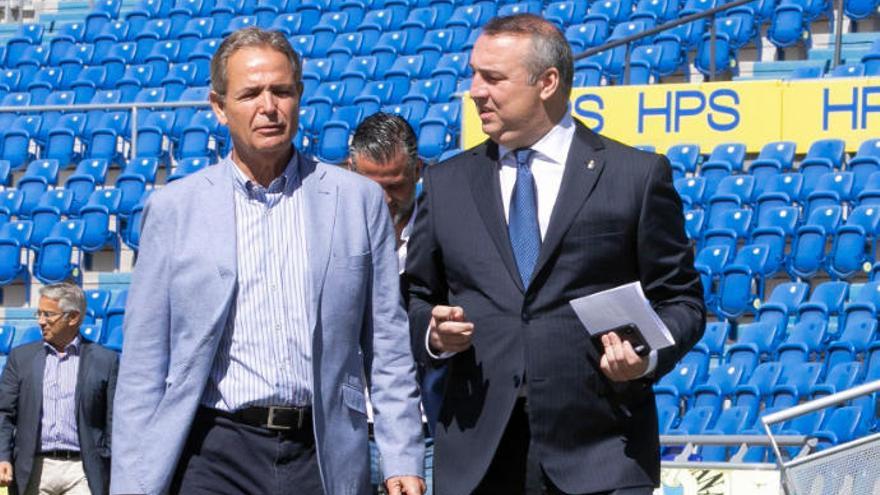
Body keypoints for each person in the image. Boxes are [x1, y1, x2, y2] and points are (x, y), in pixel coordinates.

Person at [111, 27, 425, 495]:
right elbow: (143, 362)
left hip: (321, 451)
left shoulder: (357, 201)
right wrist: (131, 483)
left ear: (299, 96)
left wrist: (402, 455)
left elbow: (387, 345)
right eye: (251, 93)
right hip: (213, 451)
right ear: (219, 107)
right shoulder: (175, 208)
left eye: (281, 91)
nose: (269, 106)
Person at [405, 14, 705, 495]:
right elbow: (415, 297)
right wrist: (434, 334)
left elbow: (683, 303)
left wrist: (645, 357)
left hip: (601, 455)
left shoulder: (636, 175)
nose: (475, 90)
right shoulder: (446, 184)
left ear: (547, 82)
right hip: (477, 457)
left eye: (493, 78)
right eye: (474, 74)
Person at [347, 113, 443, 495]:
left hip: (427, 434)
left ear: (418, 170)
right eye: (371, 186)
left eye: (395, 185)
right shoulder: (332, 239)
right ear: (350, 170)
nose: (384, 200)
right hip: (350, 432)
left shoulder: (446, 235)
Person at [0, 282, 119, 495]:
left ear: (72, 317)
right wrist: (2, 456)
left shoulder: (106, 361)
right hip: (34, 467)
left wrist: (107, 460)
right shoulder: (21, 358)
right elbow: (4, 413)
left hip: (82, 470)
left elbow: (113, 420)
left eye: (48, 315)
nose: (41, 321)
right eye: (39, 313)